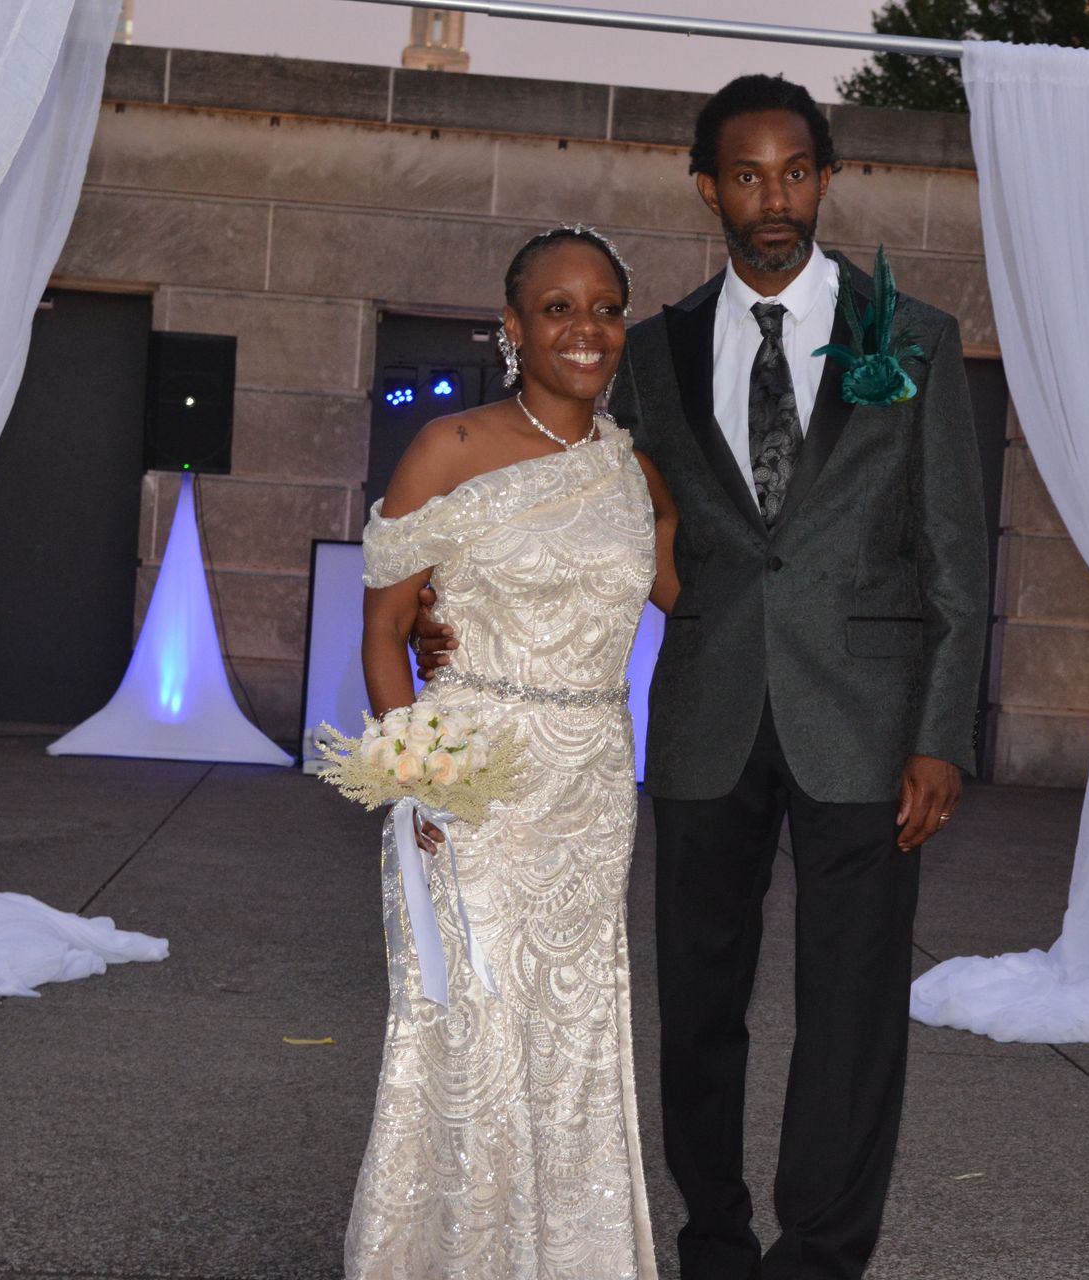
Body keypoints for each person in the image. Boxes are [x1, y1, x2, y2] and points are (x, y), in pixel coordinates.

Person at [419, 74, 990, 1280]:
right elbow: (574, 494)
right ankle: (715, 1243)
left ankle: (820, 1255)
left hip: (868, 724)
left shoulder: (917, 340)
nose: (773, 198)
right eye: (746, 174)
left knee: (852, 1010)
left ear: (826, 180)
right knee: (698, 1005)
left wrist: (941, 731)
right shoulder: (654, 350)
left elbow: (953, 551)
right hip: (704, 716)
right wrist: (453, 606)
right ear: (706, 189)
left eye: (795, 172)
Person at [347, 225, 677, 1280]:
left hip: (591, 789)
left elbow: (703, 597)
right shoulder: (449, 447)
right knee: (469, 1034)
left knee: (573, 1037)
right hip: (472, 788)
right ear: (513, 327)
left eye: (607, 308)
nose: (587, 328)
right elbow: (384, 630)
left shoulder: (634, 471)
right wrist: (416, 782)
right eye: (558, 308)